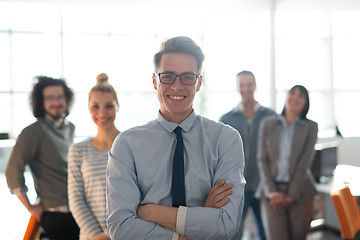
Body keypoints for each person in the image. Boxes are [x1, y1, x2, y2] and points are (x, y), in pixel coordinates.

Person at [106, 36, 246, 240]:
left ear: (198, 83)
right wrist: (195, 223)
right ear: (155, 81)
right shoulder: (127, 144)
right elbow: (121, 227)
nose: (177, 86)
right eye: (168, 76)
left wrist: (151, 212)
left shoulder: (226, 140)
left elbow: (226, 223)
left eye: (188, 77)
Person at [5, 76, 79, 239]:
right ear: (41, 102)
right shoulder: (33, 131)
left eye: (60, 97)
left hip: (77, 208)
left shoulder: (69, 128)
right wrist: (30, 207)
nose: (56, 102)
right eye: (50, 98)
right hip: (55, 214)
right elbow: (12, 171)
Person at [257, 85, 318, 240]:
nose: (295, 97)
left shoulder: (311, 127)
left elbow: (304, 163)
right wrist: (272, 191)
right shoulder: (268, 124)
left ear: (306, 103)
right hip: (272, 192)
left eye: (301, 96)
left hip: (300, 192)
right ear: (286, 96)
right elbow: (262, 160)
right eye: (292, 93)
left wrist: (291, 195)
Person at [220, 70, 274, 240]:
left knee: (267, 232)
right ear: (238, 88)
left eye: (249, 84)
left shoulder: (271, 117)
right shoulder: (227, 119)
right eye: (242, 85)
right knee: (234, 233)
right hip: (237, 188)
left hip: (263, 187)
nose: (246, 88)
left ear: (255, 86)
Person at [68, 73, 120, 240]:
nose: (102, 113)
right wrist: (99, 236)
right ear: (89, 108)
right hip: (92, 237)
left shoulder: (132, 145)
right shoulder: (78, 151)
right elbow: (76, 200)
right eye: (95, 106)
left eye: (109, 106)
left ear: (117, 106)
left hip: (127, 233)